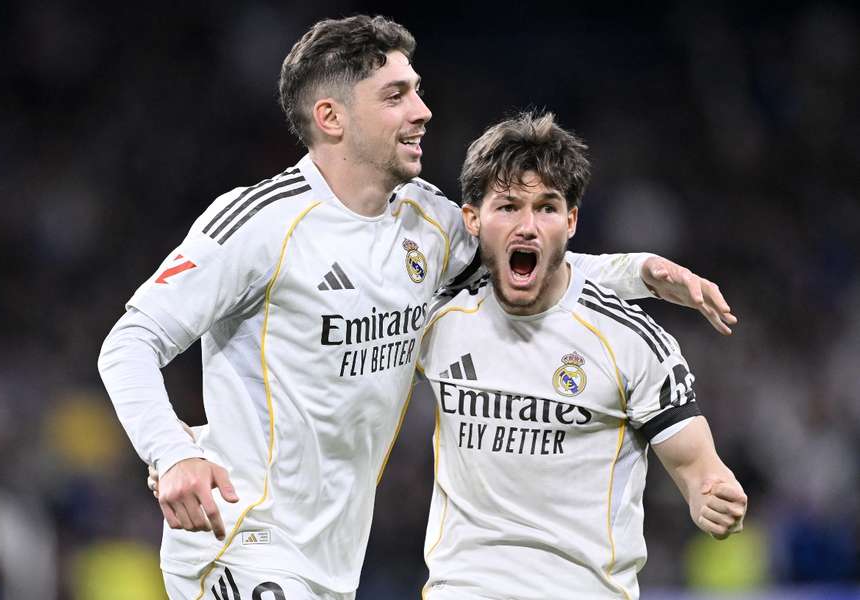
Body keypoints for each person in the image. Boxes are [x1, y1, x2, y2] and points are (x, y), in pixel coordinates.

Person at [99, 15, 736, 600]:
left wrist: (640, 273)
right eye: (396, 96)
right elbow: (129, 341)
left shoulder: (426, 221)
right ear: (331, 117)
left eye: (418, 91)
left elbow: (525, 258)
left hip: (330, 559)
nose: (423, 111)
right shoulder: (260, 224)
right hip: (242, 538)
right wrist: (171, 451)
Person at [417, 111, 747, 600]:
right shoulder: (436, 322)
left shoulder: (631, 340)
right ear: (473, 220)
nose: (527, 227)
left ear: (570, 221)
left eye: (546, 208)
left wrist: (710, 495)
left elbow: (699, 468)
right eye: (508, 206)